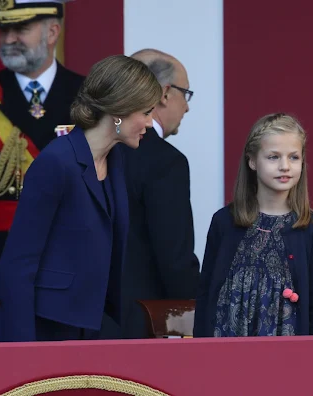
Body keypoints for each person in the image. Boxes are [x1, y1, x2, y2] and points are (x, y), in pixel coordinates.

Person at [0, 55, 162, 342]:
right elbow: (19, 264)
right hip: (44, 327)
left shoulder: (116, 160)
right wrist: (20, 350)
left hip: (90, 324)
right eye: (146, 112)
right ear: (119, 111)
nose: (150, 123)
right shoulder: (56, 162)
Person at [0, 0, 84, 302]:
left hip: (68, 250)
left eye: (20, 29)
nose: (9, 38)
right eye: (4, 29)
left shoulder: (88, 95)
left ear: (52, 32)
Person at [194, 113, 313, 337]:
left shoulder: (311, 227)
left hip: (288, 355)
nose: (285, 166)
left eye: (294, 157)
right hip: (225, 349)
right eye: (273, 157)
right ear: (252, 161)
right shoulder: (224, 222)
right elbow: (205, 293)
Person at [118, 48, 200, 339]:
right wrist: (198, 311)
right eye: (185, 94)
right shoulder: (166, 162)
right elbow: (174, 259)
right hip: (140, 323)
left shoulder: (85, 147)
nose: (187, 107)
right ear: (164, 94)